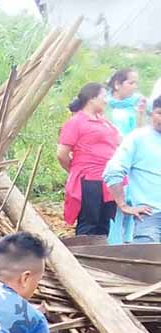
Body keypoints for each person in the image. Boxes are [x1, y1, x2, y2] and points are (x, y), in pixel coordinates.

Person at [56, 83, 120, 237]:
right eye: (103, 97)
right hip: (89, 178)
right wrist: (76, 170)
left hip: (108, 179)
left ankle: (101, 258)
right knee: (89, 221)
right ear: (92, 98)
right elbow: (62, 153)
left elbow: (120, 142)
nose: (106, 101)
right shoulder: (76, 122)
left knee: (105, 221)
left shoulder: (104, 121)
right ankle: (83, 256)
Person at [104, 96, 161, 243]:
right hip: (151, 217)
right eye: (159, 113)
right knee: (150, 262)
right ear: (151, 113)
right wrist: (123, 205)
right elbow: (113, 171)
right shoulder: (138, 138)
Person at [105, 68, 147, 244]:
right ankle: (111, 244)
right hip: (110, 162)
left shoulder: (135, 105)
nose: (134, 87)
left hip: (130, 162)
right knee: (112, 207)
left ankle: (128, 242)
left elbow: (138, 134)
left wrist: (140, 114)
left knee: (130, 202)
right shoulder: (104, 105)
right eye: (131, 82)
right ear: (117, 84)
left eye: (136, 83)